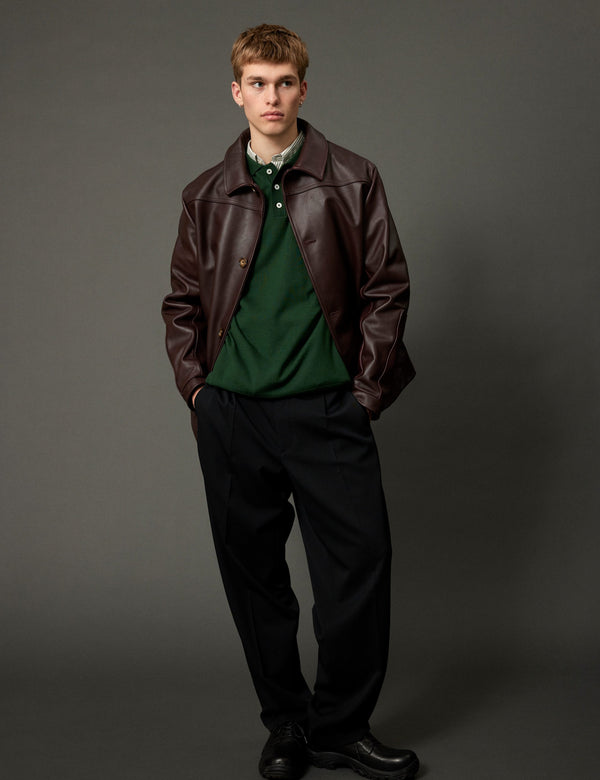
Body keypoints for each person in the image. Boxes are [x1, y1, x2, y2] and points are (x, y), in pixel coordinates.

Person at [162, 23, 419, 780]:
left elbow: (387, 288)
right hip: (233, 416)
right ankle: (286, 724)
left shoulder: (353, 177)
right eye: (257, 83)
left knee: (357, 570)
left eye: (283, 83)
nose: (271, 97)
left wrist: (364, 394)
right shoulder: (206, 193)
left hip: (328, 411)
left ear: (303, 90)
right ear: (236, 92)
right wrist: (199, 392)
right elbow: (182, 302)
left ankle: (342, 725)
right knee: (254, 579)